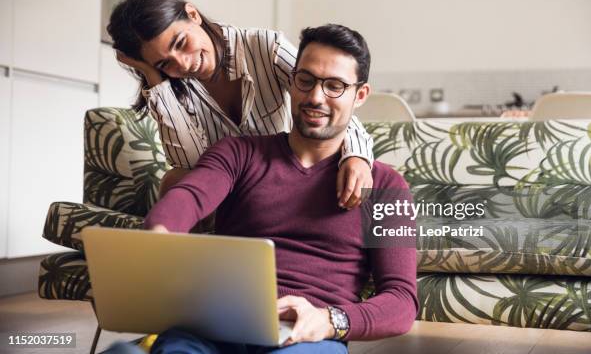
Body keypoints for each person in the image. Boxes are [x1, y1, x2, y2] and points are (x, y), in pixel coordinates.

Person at [139, 24, 418, 353]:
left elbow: (401, 301)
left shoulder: (387, 186)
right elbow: (190, 195)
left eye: (335, 86)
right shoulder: (238, 153)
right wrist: (159, 232)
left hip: (303, 336)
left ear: (359, 95)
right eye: (306, 80)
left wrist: (330, 320)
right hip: (215, 325)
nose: (316, 97)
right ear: (291, 80)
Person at [107, 0, 373, 210]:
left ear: (192, 14)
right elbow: (190, 169)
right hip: (228, 193)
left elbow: (326, 98)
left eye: (180, 43)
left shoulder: (266, 48)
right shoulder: (174, 87)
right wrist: (154, 78)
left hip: (285, 177)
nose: (184, 64)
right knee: (175, 181)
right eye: (164, 63)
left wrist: (358, 157)